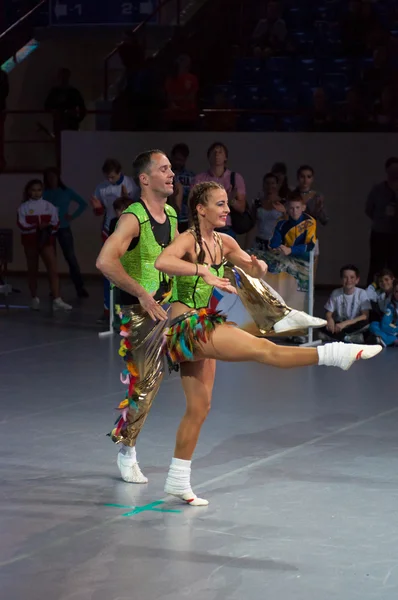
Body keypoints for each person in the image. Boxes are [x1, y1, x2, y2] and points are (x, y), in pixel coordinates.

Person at [154, 182, 382, 506]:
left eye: (226, 204)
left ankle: (177, 479)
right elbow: (163, 262)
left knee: (199, 408)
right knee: (265, 350)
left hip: (202, 323)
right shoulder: (188, 239)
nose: (226, 209)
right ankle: (334, 354)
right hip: (185, 326)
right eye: (219, 204)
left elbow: (251, 265)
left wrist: (257, 266)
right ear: (200, 209)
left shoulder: (226, 241)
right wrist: (201, 270)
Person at [96, 150, 178, 484]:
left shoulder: (171, 213)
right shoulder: (133, 217)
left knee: (161, 379)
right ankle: (126, 450)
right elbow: (105, 261)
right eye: (164, 169)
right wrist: (143, 295)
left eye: (171, 168)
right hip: (139, 313)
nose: (171, 173)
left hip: (168, 308)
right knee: (145, 384)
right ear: (145, 179)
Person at [91, 158, 140, 321]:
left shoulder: (130, 184)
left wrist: (126, 199)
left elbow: (138, 206)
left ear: (120, 172)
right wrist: (97, 207)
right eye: (108, 177)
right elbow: (98, 211)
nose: (110, 180)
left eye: (113, 177)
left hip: (128, 229)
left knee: (128, 271)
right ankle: (108, 311)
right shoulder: (101, 187)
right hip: (109, 228)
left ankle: (129, 311)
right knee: (107, 269)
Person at [17, 179, 72, 311]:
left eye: (39, 190)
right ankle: (34, 297)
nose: (36, 193)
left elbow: (56, 222)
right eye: (33, 190)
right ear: (29, 191)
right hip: (30, 241)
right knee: (32, 269)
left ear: (42, 191)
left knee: (53, 269)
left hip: (47, 240)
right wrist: (37, 227)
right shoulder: (23, 207)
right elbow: (21, 225)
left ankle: (57, 299)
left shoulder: (49, 206)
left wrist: (48, 229)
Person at [43, 167, 88, 298]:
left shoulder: (66, 191)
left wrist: (72, 216)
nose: (51, 180)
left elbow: (83, 204)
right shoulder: (45, 193)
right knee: (51, 260)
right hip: (49, 229)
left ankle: (80, 287)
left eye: (53, 177)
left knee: (70, 257)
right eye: (48, 178)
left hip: (63, 227)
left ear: (58, 178)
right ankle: (54, 289)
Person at [192, 142, 247, 238]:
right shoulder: (199, 179)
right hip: (204, 228)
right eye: (214, 152)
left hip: (226, 229)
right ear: (208, 157)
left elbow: (242, 208)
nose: (217, 154)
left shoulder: (235, 178)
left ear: (226, 157)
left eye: (220, 152)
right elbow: (193, 205)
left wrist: (230, 201)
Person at [365, 157, 398, 284]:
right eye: (392, 170)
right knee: (376, 265)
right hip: (379, 233)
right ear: (387, 171)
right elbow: (369, 210)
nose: (395, 173)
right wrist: (380, 219)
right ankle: (370, 297)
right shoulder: (378, 190)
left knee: (395, 265)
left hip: (396, 235)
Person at [321, 265, 371, 343]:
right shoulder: (336, 293)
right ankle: (348, 338)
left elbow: (365, 315)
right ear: (341, 279)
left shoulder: (362, 293)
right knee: (321, 324)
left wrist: (346, 323)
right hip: (339, 325)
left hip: (354, 324)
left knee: (366, 324)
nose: (348, 281)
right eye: (345, 277)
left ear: (357, 280)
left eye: (352, 277)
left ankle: (338, 337)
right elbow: (328, 313)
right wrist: (330, 319)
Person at [252, 172, 286, 252]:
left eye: (272, 183)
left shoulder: (283, 203)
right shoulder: (257, 203)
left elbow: (288, 223)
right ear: (263, 185)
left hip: (276, 243)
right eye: (267, 183)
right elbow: (252, 225)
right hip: (259, 242)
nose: (270, 186)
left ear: (277, 185)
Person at [170, 143, 195, 233]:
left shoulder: (191, 176)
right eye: (176, 159)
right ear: (172, 157)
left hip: (186, 219)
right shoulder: (165, 173)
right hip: (168, 218)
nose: (178, 162)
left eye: (181, 160)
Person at [369, 279, 398, 347]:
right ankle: (392, 340)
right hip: (392, 329)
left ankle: (383, 339)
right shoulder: (391, 306)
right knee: (374, 325)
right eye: (397, 291)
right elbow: (385, 325)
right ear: (393, 293)